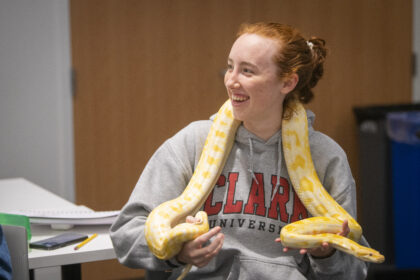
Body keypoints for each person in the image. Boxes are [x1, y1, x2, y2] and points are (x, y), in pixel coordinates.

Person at [110, 22, 369, 279]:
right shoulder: (194, 143)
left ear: (288, 83)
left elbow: (355, 268)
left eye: (247, 71)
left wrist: (327, 256)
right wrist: (177, 253)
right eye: (230, 67)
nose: (231, 81)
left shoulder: (325, 157)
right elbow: (126, 234)